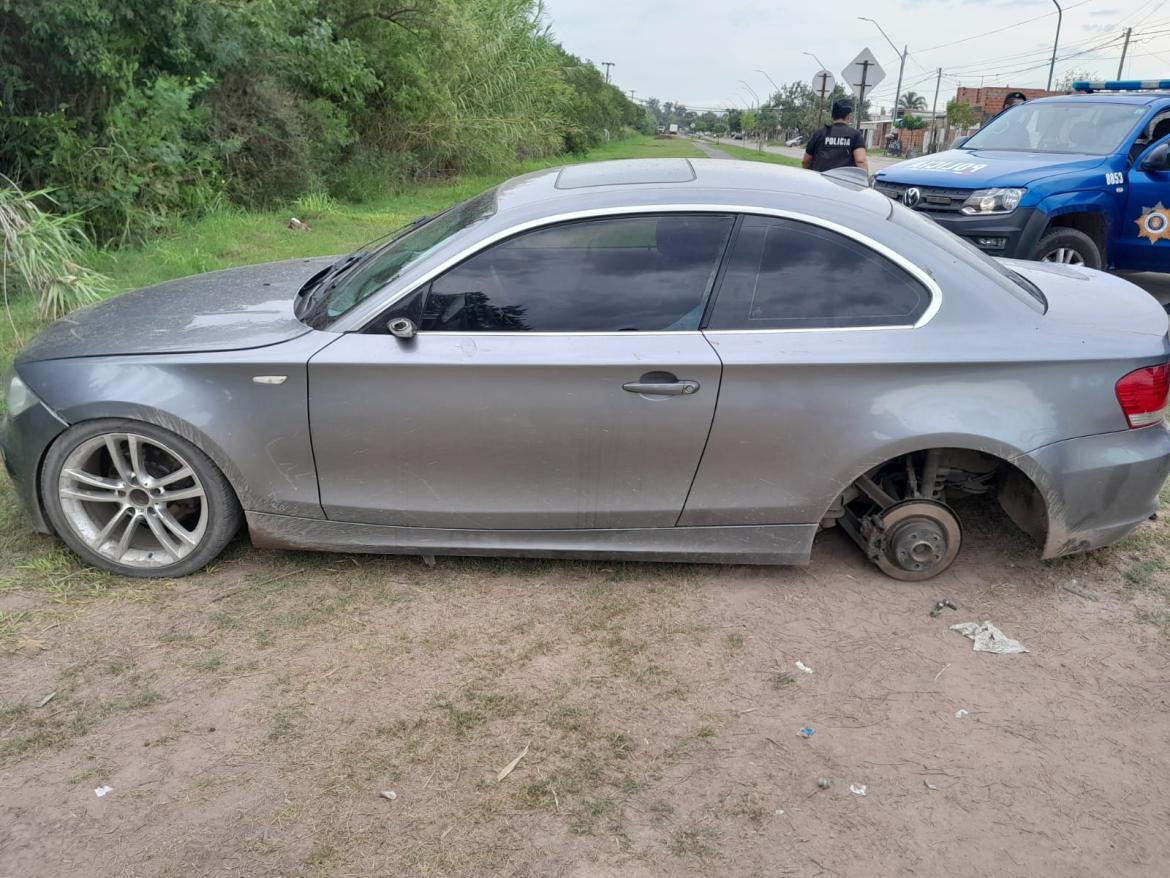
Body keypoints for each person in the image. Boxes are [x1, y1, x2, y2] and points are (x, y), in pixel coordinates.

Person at [803, 100, 869, 173]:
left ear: (833, 116)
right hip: (844, 181)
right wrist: (865, 180)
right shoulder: (855, 135)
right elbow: (860, 161)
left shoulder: (819, 134)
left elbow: (805, 161)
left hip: (820, 181)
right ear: (848, 116)